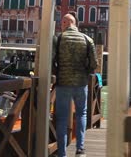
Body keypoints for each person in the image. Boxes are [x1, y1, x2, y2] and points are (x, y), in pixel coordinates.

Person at [54, 13, 97, 157]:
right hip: (81, 83)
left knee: (61, 117)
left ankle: (62, 153)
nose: (61, 25)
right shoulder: (87, 39)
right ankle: (80, 149)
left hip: (63, 83)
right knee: (81, 113)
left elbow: (52, 60)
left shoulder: (58, 38)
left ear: (66, 23)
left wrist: (58, 72)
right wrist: (85, 73)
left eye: (62, 23)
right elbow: (94, 64)